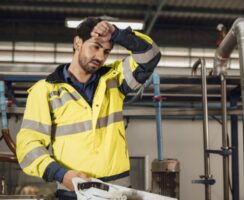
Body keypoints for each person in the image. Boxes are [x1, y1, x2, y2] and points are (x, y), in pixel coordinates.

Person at [16, 17, 161, 199]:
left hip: (117, 192)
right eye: (95, 47)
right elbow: (29, 146)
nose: (100, 56)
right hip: (73, 192)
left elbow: (151, 55)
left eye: (106, 51)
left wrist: (117, 33)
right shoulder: (45, 91)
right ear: (78, 42)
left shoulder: (114, 79)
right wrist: (62, 175)